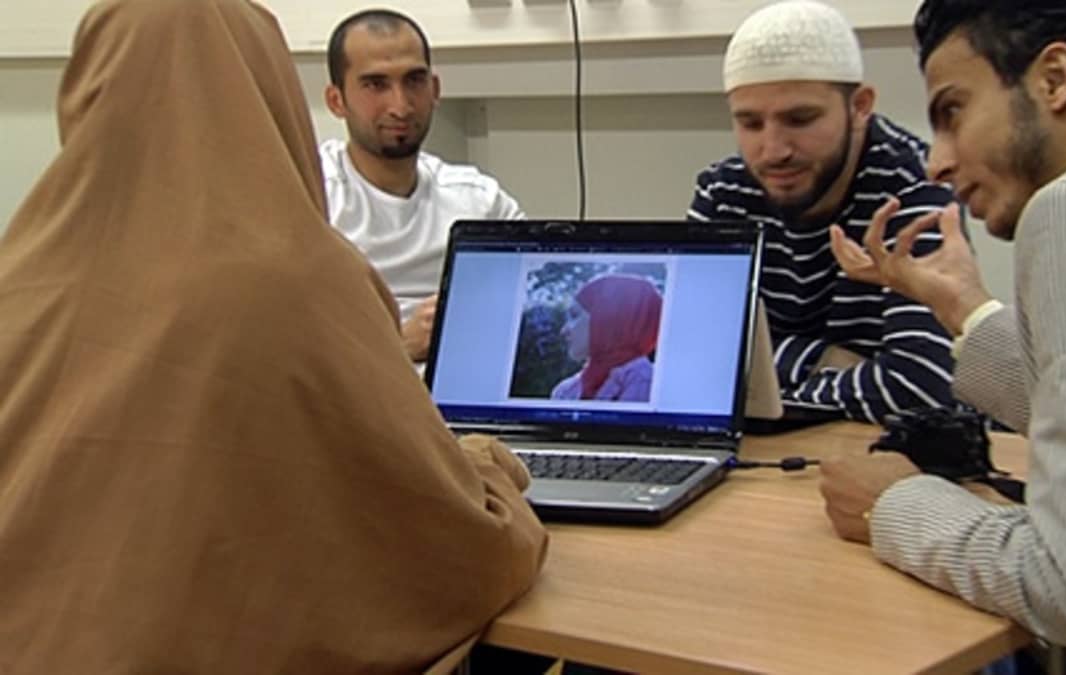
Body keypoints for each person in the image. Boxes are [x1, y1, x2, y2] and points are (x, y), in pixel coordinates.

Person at [0, 0, 547, 671]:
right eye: (374, 83)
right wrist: (489, 465)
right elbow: (455, 545)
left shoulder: (18, 275)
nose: (398, 104)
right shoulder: (300, 279)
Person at [819, 1, 1066, 671]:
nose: (936, 162)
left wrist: (892, 504)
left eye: (952, 111)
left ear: (1054, 77)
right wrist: (964, 307)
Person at [688, 0, 960, 424]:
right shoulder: (724, 191)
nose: (773, 150)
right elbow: (689, 355)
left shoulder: (915, 185)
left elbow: (920, 387)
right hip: (777, 448)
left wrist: (766, 386)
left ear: (860, 106)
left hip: (878, 451)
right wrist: (825, 360)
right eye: (750, 123)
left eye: (800, 119)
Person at [321, 9, 524, 362]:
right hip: (354, 388)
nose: (400, 106)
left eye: (414, 80)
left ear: (435, 90)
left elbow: (531, 301)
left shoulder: (481, 202)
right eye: (376, 85)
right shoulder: (312, 199)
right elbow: (283, 348)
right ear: (336, 101)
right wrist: (399, 347)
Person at [552, 274, 662, 402]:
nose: (563, 331)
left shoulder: (643, 379)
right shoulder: (565, 390)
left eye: (574, 315)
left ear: (609, 318)